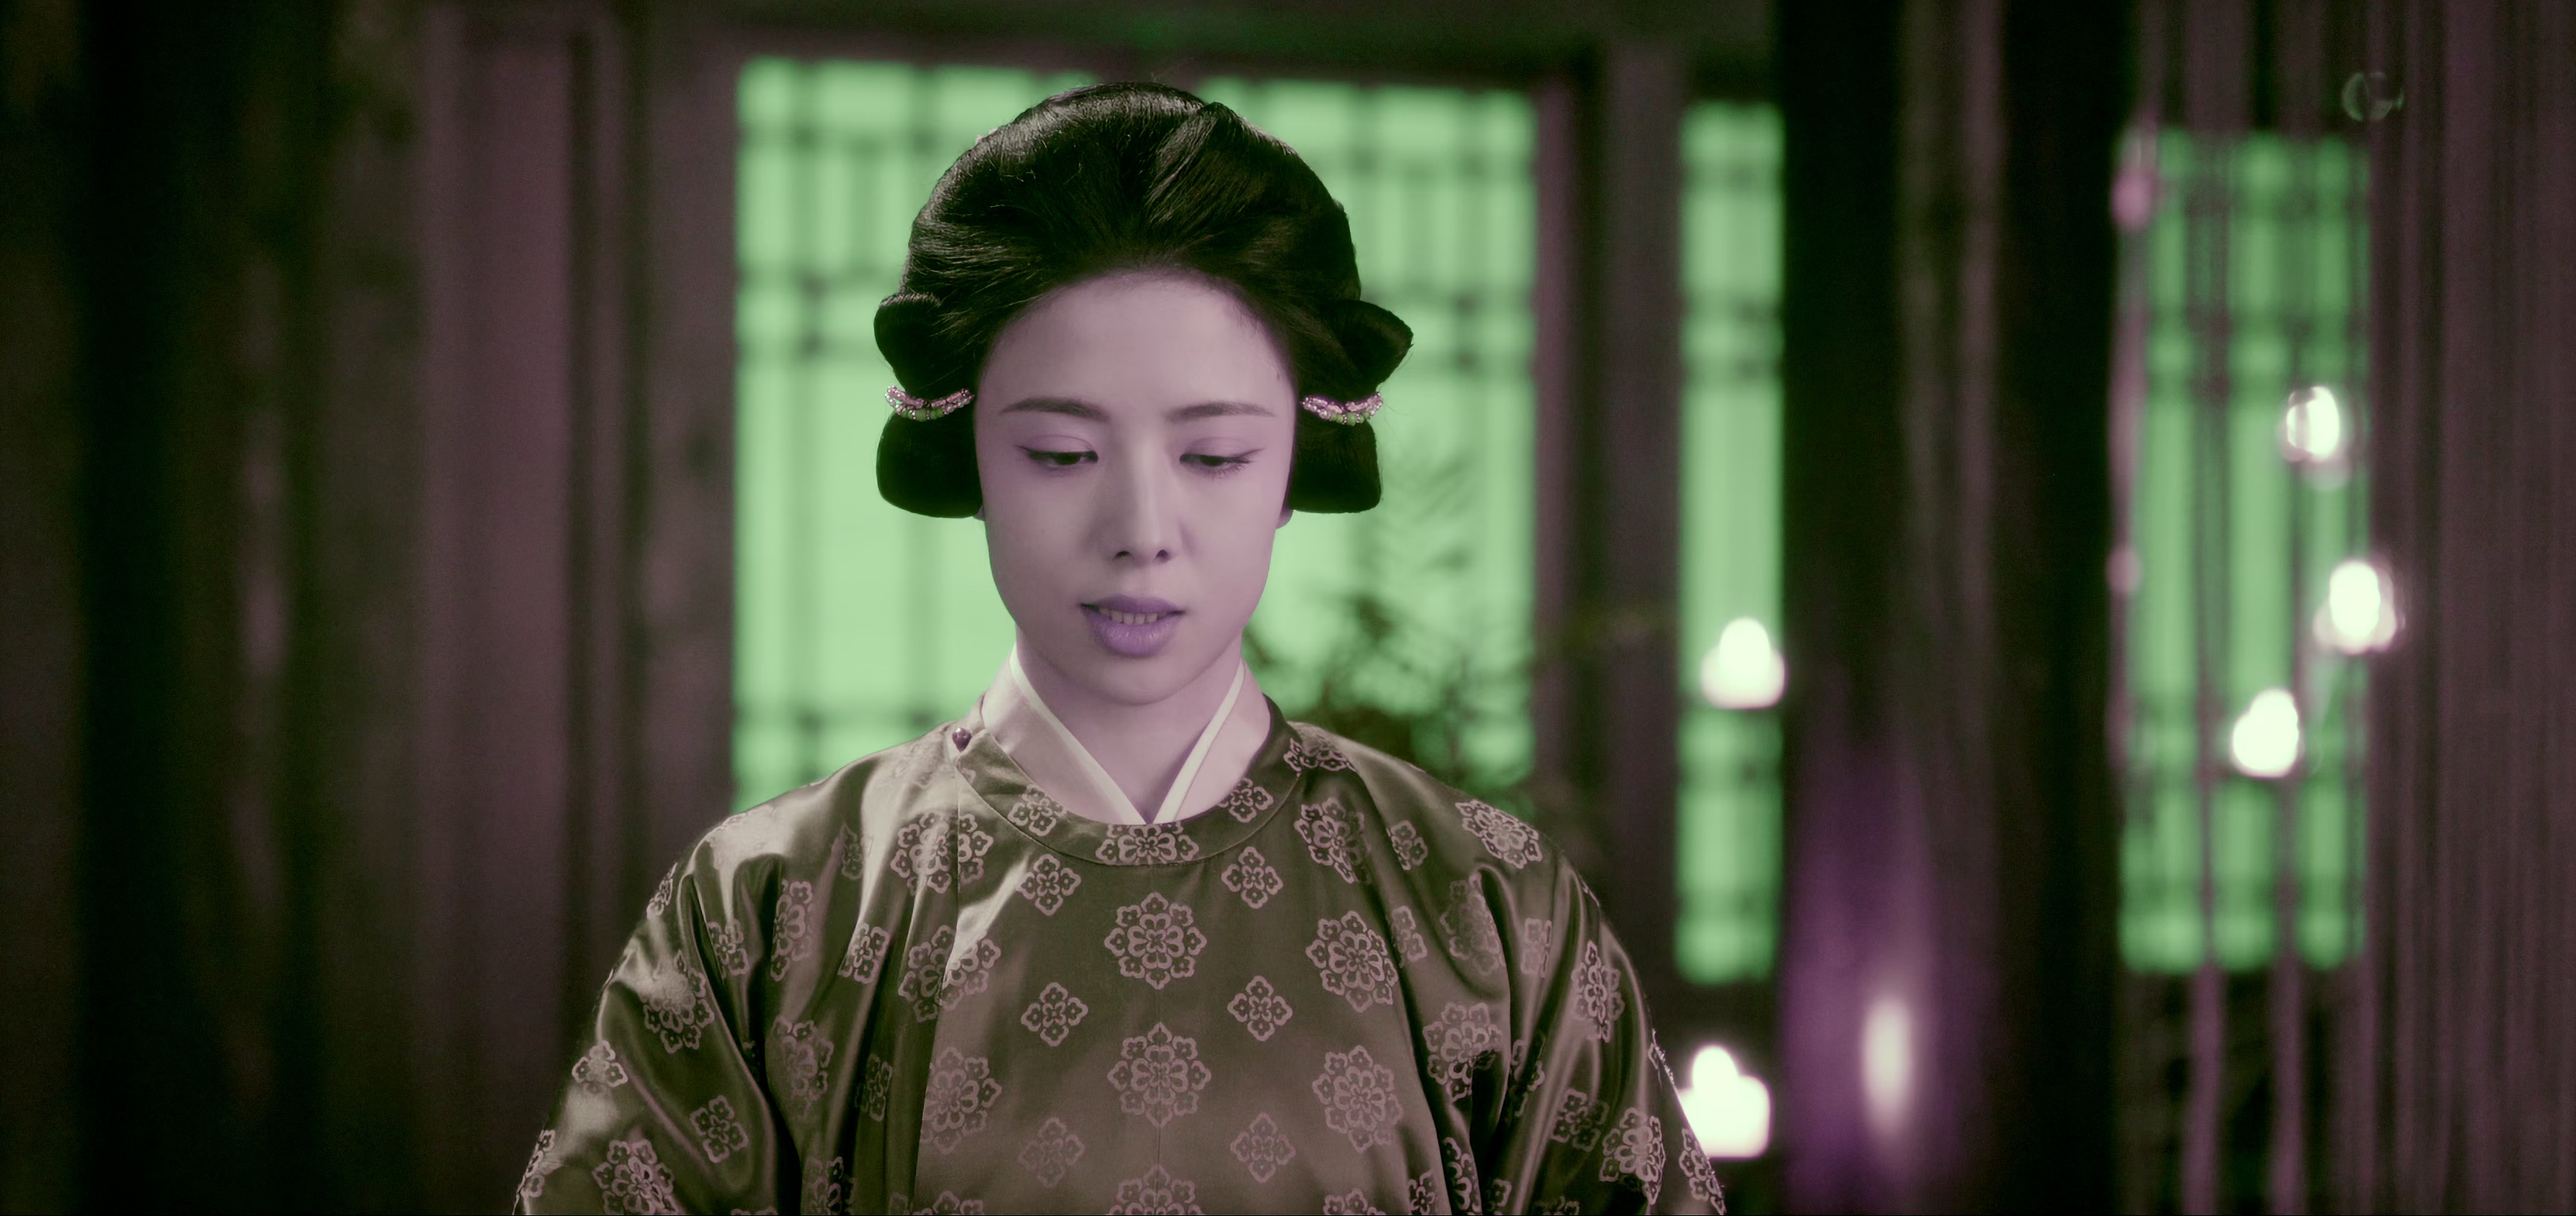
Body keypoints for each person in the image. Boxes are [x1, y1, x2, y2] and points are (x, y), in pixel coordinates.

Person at [517, 82, 1724, 1215]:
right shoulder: (775, 906)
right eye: (1061, 454)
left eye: (1213, 457)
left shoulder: (1486, 906)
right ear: (971, 458)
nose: (1143, 531)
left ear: (1295, 467)